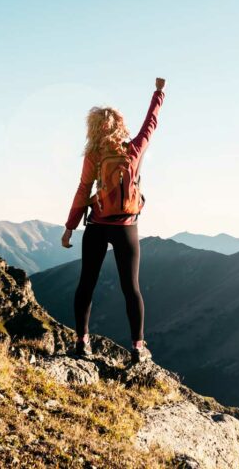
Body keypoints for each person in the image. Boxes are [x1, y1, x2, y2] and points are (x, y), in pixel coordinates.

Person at [61, 77, 166, 364]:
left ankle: (82, 342)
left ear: (93, 128)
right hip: (126, 228)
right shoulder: (133, 149)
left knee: (86, 284)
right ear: (120, 125)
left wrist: (70, 227)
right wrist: (158, 93)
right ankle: (137, 347)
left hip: (97, 226)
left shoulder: (93, 155)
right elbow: (151, 124)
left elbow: (83, 191)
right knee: (131, 287)